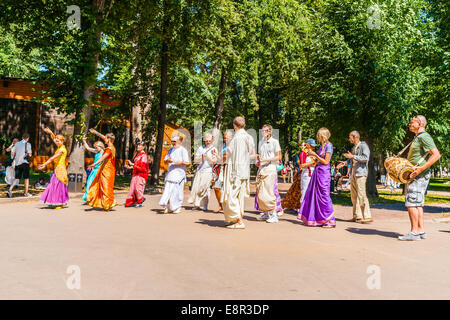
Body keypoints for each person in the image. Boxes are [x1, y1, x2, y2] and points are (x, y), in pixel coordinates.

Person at [398, 115, 440, 241]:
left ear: (420, 124)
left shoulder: (424, 137)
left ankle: (414, 232)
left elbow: (436, 155)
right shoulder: (418, 137)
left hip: (419, 175)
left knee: (411, 203)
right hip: (418, 174)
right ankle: (420, 230)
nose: (410, 124)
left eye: (412, 122)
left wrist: (420, 169)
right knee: (418, 204)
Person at [221, 116, 256, 229]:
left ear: (234, 125)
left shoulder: (237, 138)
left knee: (231, 195)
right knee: (238, 196)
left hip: (235, 170)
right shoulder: (249, 137)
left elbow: (231, 155)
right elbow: (251, 153)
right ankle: (235, 218)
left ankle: (239, 221)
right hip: (244, 170)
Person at [297, 128, 335, 228]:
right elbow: (319, 160)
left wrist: (315, 155)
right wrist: (314, 157)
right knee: (316, 196)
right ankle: (319, 219)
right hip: (317, 172)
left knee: (324, 195)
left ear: (323, 136)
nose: (317, 137)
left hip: (324, 173)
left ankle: (329, 220)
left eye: (318, 135)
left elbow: (326, 162)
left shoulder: (329, 146)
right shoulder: (321, 146)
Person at [255, 124, 282, 223]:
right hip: (261, 169)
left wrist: (267, 159)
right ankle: (266, 213)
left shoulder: (275, 142)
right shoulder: (261, 142)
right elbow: (259, 156)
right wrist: (257, 161)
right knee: (261, 192)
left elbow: (278, 157)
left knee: (269, 192)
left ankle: (274, 214)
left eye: (265, 131)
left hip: (270, 168)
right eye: (262, 131)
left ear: (270, 131)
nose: (263, 132)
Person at [344, 131, 372, 223]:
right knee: (354, 196)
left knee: (361, 195)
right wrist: (345, 162)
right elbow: (352, 158)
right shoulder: (353, 148)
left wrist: (353, 156)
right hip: (353, 173)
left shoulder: (363, 146)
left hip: (361, 173)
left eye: (350, 137)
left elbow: (365, 158)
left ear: (355, 137)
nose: (349, 139)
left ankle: (367, 216)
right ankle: (357, 216)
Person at [86, 129, 118, 211]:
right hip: (108, 169)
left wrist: (94, 163)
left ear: (109, 139)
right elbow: (104, 137)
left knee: (105, 187)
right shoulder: (112, 147)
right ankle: (107, 203)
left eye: (106, 139)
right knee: (105, 186)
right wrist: (96, 133)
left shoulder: (109, 149)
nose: (104, 140)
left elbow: (103, 157)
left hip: (107, 170)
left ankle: (107, 204)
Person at [38, 128, 69, 208]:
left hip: (60, 170)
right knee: (54, 185)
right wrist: (50, 132)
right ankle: (59, 201)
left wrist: (44, 164)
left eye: (58, 140)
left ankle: (60, 202)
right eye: (57, 140)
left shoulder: (62, 149)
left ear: (62, 141)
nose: (56, 141)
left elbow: (52, 158)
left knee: (58, 185)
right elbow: (53, 138)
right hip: (57, 169)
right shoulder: (59, 146)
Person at [159, 134, 190, 214]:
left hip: (179, 174)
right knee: (168, 190)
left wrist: (176, 162)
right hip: (171, 173)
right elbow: (165, 160)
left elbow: (187, 163)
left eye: (174, 141)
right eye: (172, 141)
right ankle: (168, 206)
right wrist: (168, 161)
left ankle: (177, 207)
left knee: (178, 191)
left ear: (179, 141)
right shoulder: (170, 150)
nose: (173, 143)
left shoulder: (183, 150)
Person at [188, 132, 218, 211]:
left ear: (212, 140)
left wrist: (207, 157)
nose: (208, 142)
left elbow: (214, 161)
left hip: (208, 171)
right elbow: (195, 159)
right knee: (196, 187)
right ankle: (196, 204)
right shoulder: (201, 148)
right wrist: (202, 156)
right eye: (206, 140)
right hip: (199, 170)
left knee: (204, 188)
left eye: (209, 140)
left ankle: (205, 205)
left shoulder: (214, 149)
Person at [211, 130, 233, 213]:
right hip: (221, 169)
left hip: (230, 169)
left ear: (231, 137)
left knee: (229, 189)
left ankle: (229, 206)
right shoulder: (222, 146)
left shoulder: (233, 146)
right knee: (216, 187)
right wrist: (216, 157)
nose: (225, 139)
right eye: (224, 137)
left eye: (227, 137)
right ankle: (220, 206)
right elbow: (220, 157)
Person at [7, 133, 32, 198]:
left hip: (17, 163)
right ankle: (26, 193)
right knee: (26, 178)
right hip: (25, 163)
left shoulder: (17, 144)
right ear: (28, 138)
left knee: (16, 178)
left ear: (22, 137)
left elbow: (13, 153)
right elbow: (30, 155)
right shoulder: (28, 144)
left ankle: (10, 190)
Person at [124, 141, 149, 208]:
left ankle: (141, 200)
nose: (138, 146)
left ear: (143, 147)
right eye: (137, 145)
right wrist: (129, 167)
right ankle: (133, 201)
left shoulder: (144, 156)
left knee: (138, 188)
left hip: (141, 175)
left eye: (140, 145)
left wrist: (132, 164)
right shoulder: (138, 155)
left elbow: (142, 167)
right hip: (135, 174)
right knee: (132, 189)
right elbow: (136, 166)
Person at [82, 138, 105, 202]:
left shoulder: (104, 153)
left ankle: (96, 198)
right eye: (95, 147)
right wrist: (84, 141)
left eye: (97, 147)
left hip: (99, 171)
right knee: (89, 182)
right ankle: (89, 197)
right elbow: (88, 148)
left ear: (101, 146)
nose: (96, 148)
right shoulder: (96, 151)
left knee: (97, 185)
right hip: (94, 170)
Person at [299, 139, 317, 203]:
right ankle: (301, 210)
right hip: (306, 175)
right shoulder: (303, 153)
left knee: (312, 193)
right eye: (312, 145)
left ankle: (309, 209)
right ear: (308, 145)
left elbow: (315, 164)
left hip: (313, 175)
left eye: (314, 146)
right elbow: (302, 165)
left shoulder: (313, 153)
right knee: (304, 192)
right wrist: (312, 162)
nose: (313, 147)